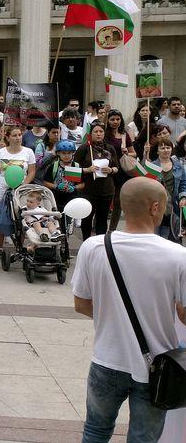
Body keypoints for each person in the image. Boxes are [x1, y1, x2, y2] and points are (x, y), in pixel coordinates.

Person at [72, 177, 186, 443]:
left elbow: (81, 304)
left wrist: (115, 318)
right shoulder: (178, 255)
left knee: (95, 431)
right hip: (157, 367)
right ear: (155, 207)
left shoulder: (93, 247)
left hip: (106, 360)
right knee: (143, 439)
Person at [0, 125, 37, 260]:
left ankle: (19, 249)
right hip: (1, 187)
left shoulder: (28, 152)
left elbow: (32, 171)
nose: (18, 138)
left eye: (20, 135)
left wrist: (24, 185)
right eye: (14, 135)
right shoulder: (0, 153)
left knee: (20, 218)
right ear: (8, 137)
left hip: (20, 189)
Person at [74, 123, 120, 239]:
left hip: (106, 190)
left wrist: (110, 170)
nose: (98, 134)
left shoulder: (110, 148)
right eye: (96, 132)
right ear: (91, 134)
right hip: (88, 190)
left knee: (102, 219)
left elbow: (116, 167)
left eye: (101, 132)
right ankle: (86, 242)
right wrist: (87, 170)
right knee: (87, 218)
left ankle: (100, 243)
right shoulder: (84, 148)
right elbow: (73, 170)